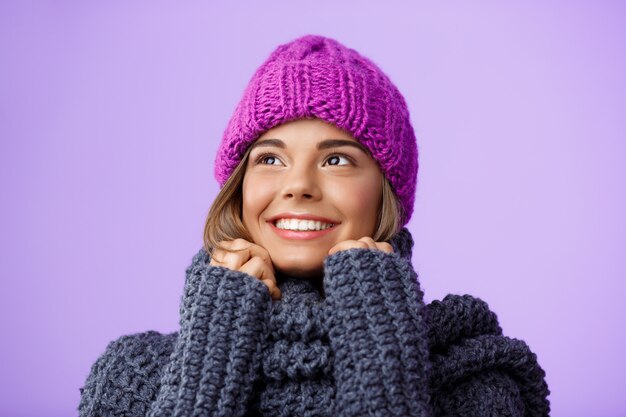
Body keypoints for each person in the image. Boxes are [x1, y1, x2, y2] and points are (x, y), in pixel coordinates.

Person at [78, 34, 550, 416]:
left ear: (387, 190)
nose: (298, 185)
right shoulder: (133, 378)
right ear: (239, 187)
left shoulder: (473, 382)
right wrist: (216, 337)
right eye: (270, 158)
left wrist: (374, 319)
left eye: (337, 159)